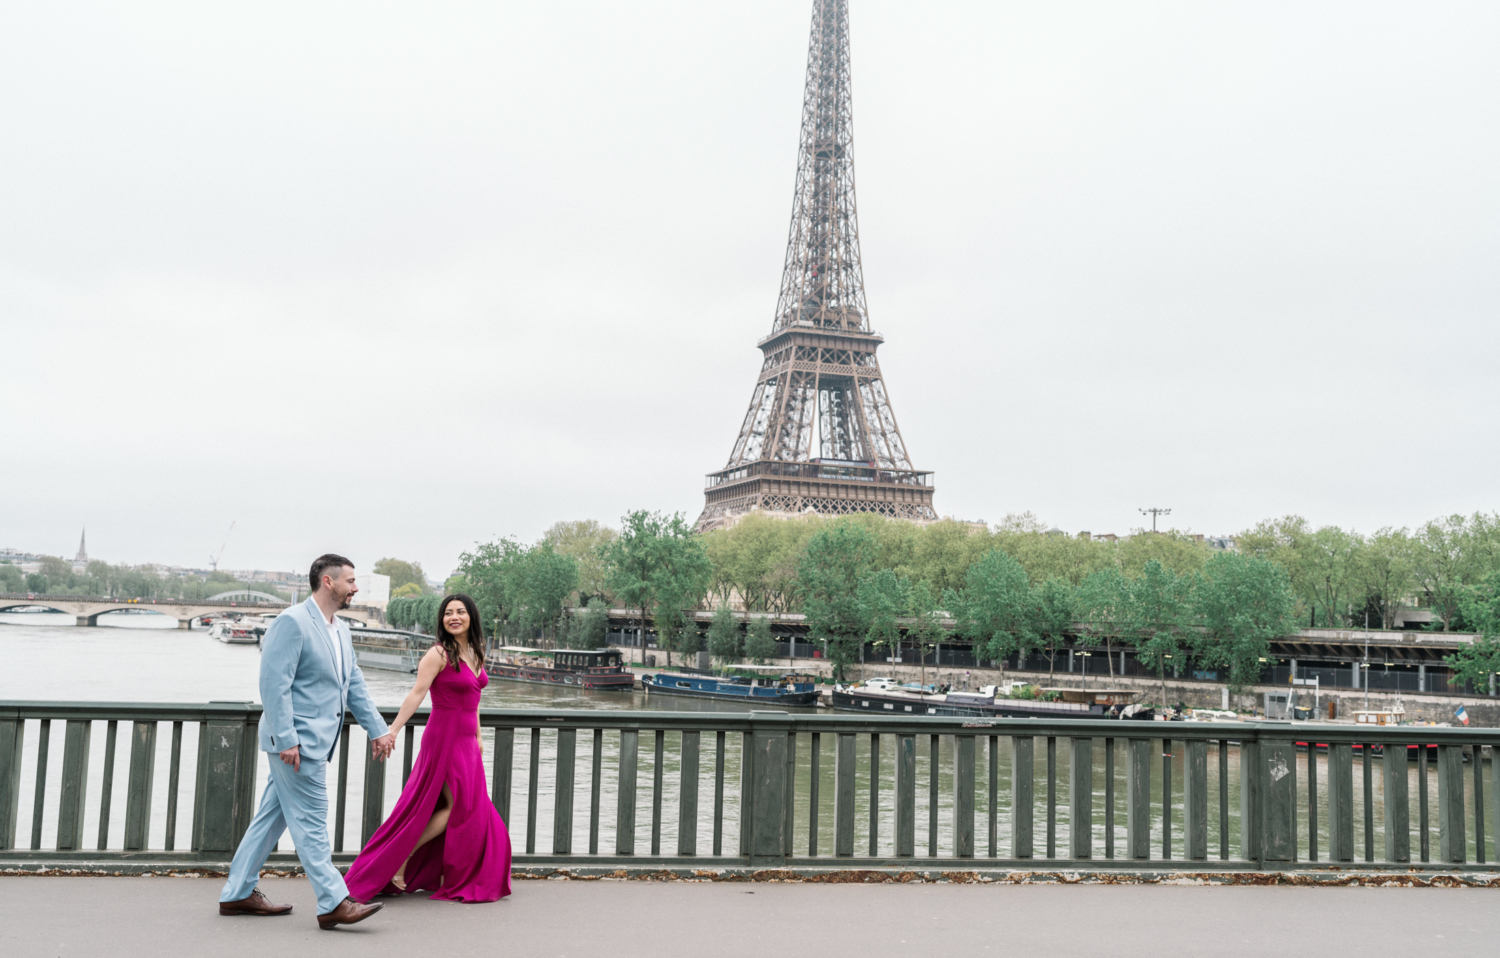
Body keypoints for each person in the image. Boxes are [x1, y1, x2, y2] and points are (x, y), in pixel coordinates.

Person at [219, 554, 396, 930]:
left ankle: (236, 893)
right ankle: (334, 901)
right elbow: (274, 684)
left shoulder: (341, 630)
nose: (356, 587)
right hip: (297, 745)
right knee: (312, 822)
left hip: (312, 742)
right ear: (329, 582)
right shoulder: (292, 622)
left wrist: (378, 728)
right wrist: (287, 738)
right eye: (350, 580)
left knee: (271, 818)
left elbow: (353, 684)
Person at [343, 593, 512, 903]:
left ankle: (452, 869)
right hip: (443, 739)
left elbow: (475, 701)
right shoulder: (438, 654)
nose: (454, 617)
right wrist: (391, 730)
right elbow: (416, 694)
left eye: (461, 611)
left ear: (471, 617)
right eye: (448, 613)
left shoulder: (477, 651)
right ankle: (402, 858)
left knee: (473, 809)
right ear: (442, 620)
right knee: (457, 807)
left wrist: (478, 736)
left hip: (467, 743)